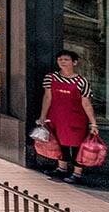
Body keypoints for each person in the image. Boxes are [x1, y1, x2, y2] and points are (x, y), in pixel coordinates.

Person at [37, 49, 99, 184]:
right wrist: (43, 116)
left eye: (66, 59)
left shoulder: (82, 82)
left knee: (77, 146)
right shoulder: (50, 78)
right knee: (59, 144)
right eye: (60, 59)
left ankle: (77, 173)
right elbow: (47, 97)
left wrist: (93, 123)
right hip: (56, 117)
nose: (62, 62)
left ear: (74, 63)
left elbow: (86, 103)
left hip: (76, 119)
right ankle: (62, 168)